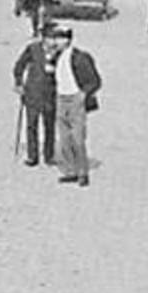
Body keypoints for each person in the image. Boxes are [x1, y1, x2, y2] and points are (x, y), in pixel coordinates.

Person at [50, 27, 102, 187]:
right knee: (64, 138)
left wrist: (83, 94)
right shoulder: (56, 56)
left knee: (77, 138)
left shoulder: (79, 58)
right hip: (61, 98)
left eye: (58, 39)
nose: (55, 42)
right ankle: (70, 170)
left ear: (67, 40)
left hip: (74, 99)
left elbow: (95, 81)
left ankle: (82, 172)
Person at [12, 27, 58, 166]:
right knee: (32, 124)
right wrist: (19, 84)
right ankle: (32, 156)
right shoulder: (33, 49)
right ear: (43, 38)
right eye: (50, 38)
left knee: (49, 125)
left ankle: (49, 156)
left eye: (54, 38)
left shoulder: (59, 52)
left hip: (50, 93)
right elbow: (19, 66)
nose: (53, 41)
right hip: (32, 92)